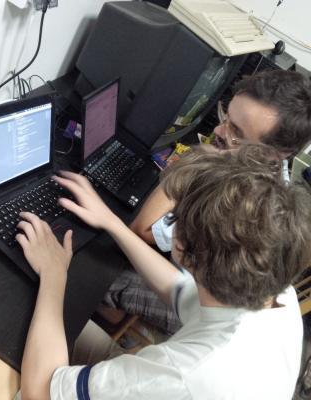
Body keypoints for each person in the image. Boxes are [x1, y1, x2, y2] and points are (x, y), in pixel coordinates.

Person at [17, 145, 311, 400]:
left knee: (19, 359)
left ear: (180, 243)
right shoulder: (273, 288)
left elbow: (39, 393)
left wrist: (54, 275)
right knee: (66, 324)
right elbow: (179, 289)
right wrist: (111, 222)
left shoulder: (185, 374)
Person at [103, 69, 311, 334]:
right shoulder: (260, 164)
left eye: (236, 132)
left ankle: (113, 317)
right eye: (226, 116)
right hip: (199, 280)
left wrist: (197, 160)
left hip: (209, 309)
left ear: (276, 154)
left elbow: (144, 229)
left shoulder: (246, 204)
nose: (217, 130)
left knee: (100, 278)